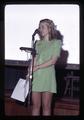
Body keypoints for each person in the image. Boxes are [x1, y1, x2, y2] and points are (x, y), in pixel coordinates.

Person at [31, 18, 63, 116]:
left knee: (46, 107)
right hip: (36, 76)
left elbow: (53, 60)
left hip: (48, 76)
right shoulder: (37, 43)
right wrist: (30, 70)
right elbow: (35, 58)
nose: (40, 29)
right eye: (39, 27)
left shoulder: (56, 42)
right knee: (35, 106)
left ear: (49, 29)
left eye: (43, 27)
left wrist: (38, 67)